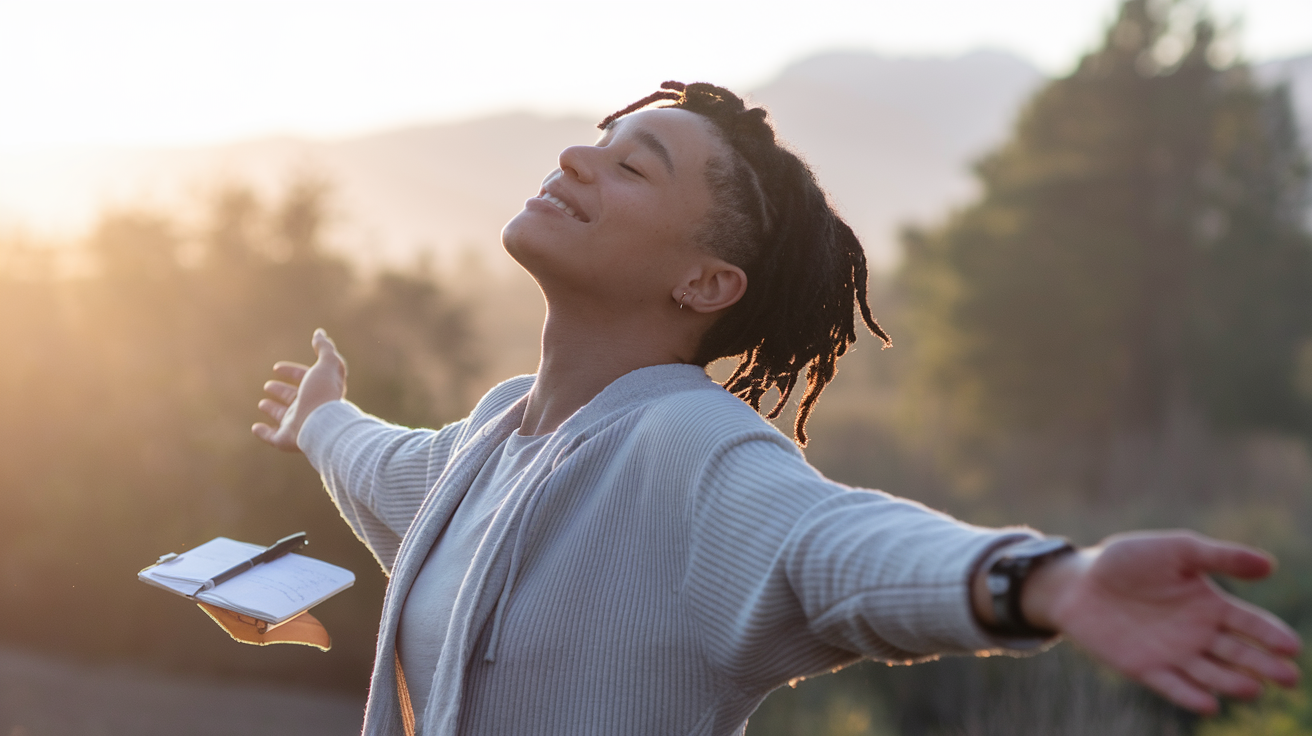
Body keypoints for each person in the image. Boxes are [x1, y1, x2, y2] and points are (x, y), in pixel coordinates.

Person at [252, 82, 1301, 736]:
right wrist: (322, 421)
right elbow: (391, 469)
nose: (575, 158)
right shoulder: (494, 436)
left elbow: (830, 543)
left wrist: (1047, 578)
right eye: (597, 139)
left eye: (632, 166)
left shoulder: (689, 447)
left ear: (706, 284)